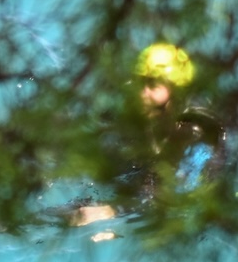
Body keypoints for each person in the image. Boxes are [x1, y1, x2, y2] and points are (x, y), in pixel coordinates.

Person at [68, 43, 226, 231]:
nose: (143, 92)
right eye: (140, 82)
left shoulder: (196, 137)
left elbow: (176, 200)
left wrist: (111, 212)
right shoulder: (134, 116)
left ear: (176, 92)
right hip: (142, 179)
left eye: (153, 84)